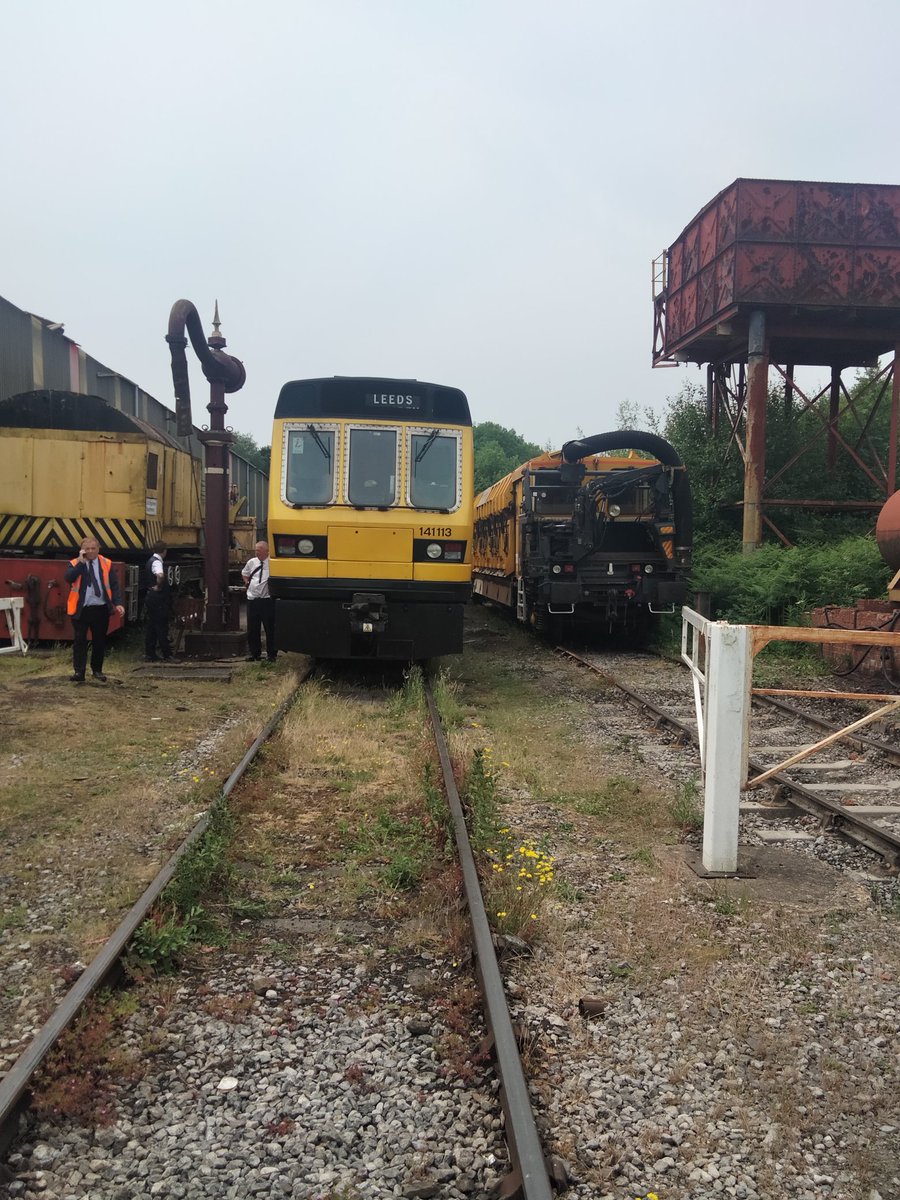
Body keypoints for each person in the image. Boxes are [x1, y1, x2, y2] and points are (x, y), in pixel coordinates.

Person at [64, 537, 125, 683]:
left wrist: (118, 603)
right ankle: (79, 672)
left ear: (98, 549)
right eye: (87, 549)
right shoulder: (75, 563)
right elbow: (69, 578)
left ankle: (97, 670)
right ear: (82, 550)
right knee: (80, 641)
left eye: (93, 548)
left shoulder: (106, 563)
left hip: (100, 608)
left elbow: (114, 584)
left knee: (99, 640)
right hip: (81, 609)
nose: (90, 551)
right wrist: (81, 562)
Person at [242, 539, 276, 663]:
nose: (257, 553)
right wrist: (247, 582)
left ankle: (271, 654)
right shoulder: (252, 562)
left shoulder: (272, 564)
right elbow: (245, 573)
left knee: (270, 628)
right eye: (256, 550)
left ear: (267, 551)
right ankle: (254, 653)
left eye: (259, 550)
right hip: (253, 599)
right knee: (252, 628)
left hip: (267, 600)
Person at [144, 541, 173, 662]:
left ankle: (150, 654)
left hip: (151, 597)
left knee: (152, 627)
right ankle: (167, 654)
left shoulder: (150, 560)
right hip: (158, 599)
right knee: (161, 626)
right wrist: (159, 587)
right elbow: (160, 575)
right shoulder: (157, 562)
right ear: (164, 551)